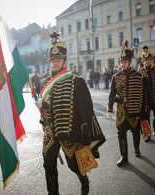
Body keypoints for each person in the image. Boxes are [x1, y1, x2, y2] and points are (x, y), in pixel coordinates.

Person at [35, 32, 105, 195]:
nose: (55, 63)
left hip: (70, 132)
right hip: (51, 132)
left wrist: (84, 135)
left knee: (74, 165)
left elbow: (84, 110)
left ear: (65, 62)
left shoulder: (76, 81)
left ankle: (84, 180)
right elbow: (45, 110)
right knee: (48, 163)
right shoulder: (45, 83)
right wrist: (43, 109)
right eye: (52, 61)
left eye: (58, 60)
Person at [108, 40, 151, 166]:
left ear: (130, 63)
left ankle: (136, 148)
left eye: (125, 62)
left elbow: (145, 96)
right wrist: (109, 108)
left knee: (135, 132)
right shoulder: (115, 77)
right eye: (121, 62)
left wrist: (145, 111)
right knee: (121, 133)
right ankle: (124, 156)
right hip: (121, 111)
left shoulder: (140, 77)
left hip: (134, 110)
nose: (123, 64)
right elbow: (112, 93)